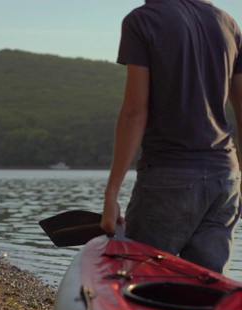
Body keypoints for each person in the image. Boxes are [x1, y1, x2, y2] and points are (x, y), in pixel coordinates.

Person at [101, 0, 242, 274]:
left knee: (141, 282)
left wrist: (112, 192)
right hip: (225, 180)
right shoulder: (227, 22)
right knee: (204, 294)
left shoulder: (143, 20)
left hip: (168, 178)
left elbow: (134, 112)